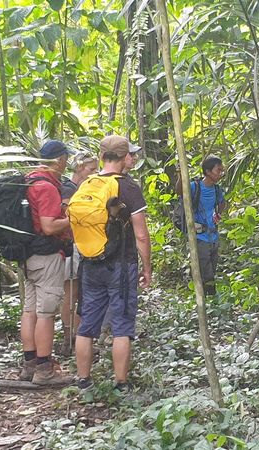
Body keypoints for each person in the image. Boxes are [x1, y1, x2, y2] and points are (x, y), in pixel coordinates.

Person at [74, 135, 151, 393]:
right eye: (131, 154)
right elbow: (141, 234)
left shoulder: (88, 183)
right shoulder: (127, 187)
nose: (134, 158)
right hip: (120, 264)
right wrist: (147, 268)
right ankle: (121, 383)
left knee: (86, 326)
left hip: (90, 262)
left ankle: (83, 380)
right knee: (122, 325)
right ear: (123, 157)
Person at [19, 140, 75, 385]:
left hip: (27, 255)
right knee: (46, 313)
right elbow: (49, 226)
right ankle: (44, 368)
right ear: (60, 160)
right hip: (46, 255)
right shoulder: (47, 187)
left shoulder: (27, 180)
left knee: (29, 310)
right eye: (65, 159)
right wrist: (73, 219)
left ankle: (28, 363)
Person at [59, 153, 98, 354]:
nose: (94, 173)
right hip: (71, 246)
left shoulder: (79, 188)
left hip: (80, 246)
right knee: (70, 293)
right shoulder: (69, 188)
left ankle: (78, 335)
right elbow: (68, 215)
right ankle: (70, 337)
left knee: (78, 293)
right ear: (79, 168)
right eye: (91, 169)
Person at [181, 155, 226, 296]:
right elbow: (180, 193)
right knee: (206, 271)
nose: (220, 173)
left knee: (212, 268)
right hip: (199, 236)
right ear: (207, 171)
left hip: (213, 235)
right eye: (218, 170)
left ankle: (209, 298)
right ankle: (210, 298)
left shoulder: (217, 189)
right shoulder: (195, 187)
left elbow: (222, 202)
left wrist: (218, 214)